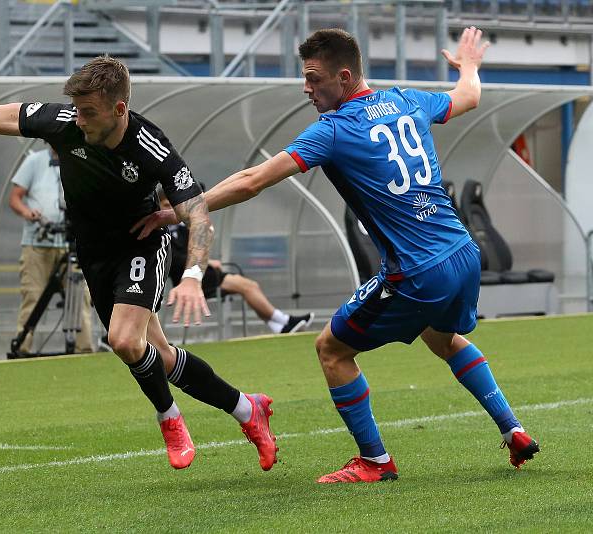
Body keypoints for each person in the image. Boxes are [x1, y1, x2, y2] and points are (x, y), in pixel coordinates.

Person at [134, 27, 538, 483]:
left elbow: (253, 180)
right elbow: (467, 96)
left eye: (314, 78)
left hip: (417, 269)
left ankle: (375, 461)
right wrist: (468, 66)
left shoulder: (335, 129)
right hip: (462, 253)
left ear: (344, 77)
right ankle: (513, 429)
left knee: (331, 349)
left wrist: (179, 213)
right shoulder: (406, 99)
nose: (306, 88)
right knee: (442, 338)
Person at [0, 55, 277, 472]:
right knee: (160, 356)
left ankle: (169, 418)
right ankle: (248, 409)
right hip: (93, 253)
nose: (79, 120)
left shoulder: (151, 146)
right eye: (76, 110)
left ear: (119, 110)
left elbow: (199, 214)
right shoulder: (63, 121)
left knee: (123, 341)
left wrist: (191, 276)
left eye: (88, 112)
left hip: (140, 247)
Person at [162, 196, 314, 335]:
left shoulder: (182, 228)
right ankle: (284, 322)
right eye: (166, 205)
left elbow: (197, 245)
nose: (172, 209)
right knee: (248, 286)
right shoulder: (161, 234)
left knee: (249, 286)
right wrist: (206, 262)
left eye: (173, 205)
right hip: (190, 280)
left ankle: (281, 325)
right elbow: (175, 260)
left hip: (204, 274)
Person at [8, 145, 94, 354]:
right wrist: (29, 214)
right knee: (33, 295)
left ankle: (84, 349)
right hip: (38, 245)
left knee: (81, 297)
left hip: (73, 244)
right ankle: (23, 347)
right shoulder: (34, 161)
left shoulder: (80, 159)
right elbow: (15, 197)